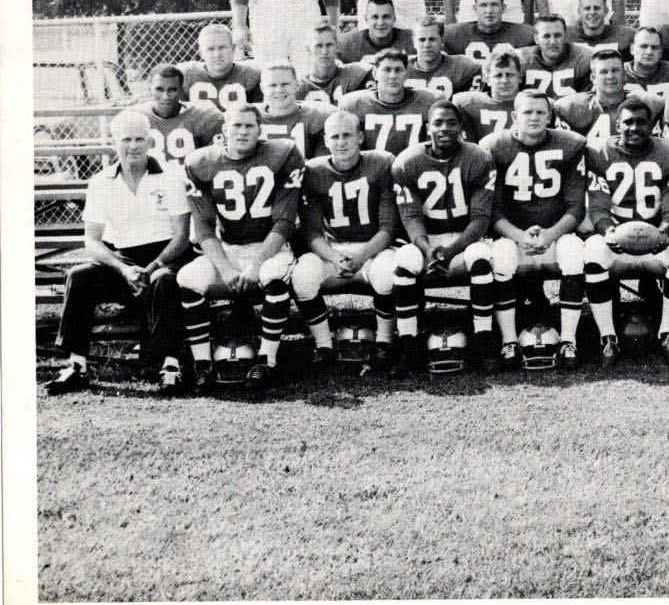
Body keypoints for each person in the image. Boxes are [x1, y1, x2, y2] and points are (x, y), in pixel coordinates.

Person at [45, 109, 191, 396]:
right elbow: (92, 240)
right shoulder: (101, 182)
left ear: (151, 142)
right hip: (121, 261)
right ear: (115, 143)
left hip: (164, 256)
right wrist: (124, 270)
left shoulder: (171, 176)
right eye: (126, 139)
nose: (133, 145)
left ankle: (169, 366)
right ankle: (77, 366)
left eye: (139, 139)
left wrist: (151, 267)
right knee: (79, 276)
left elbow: (182, 236)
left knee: (165, 280)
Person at [178, 103, 304, 391]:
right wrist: (225, 268)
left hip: (270, 248)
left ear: (260, 131)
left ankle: (266, 360)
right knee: (188, 279)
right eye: (237, 125)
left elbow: (284, 222)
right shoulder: (200, 163)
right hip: (228, 249)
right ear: (224, 131)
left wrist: (255, 265)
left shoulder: (283, 154)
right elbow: (204, 228)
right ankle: (202, 365)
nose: (243, 131)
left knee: (273, 276)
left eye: (249, 126)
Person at [482, 91, 590, 370]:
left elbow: (576, 207)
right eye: (527, 112)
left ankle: (568, 339)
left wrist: (550, 234)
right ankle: (508, 340)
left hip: (554, 233)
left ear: (550, 116)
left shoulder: (571, 144)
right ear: (514, 117)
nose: (534, 118)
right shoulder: (494, 146)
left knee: (574, 250)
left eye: (540, 112)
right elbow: (491, 210)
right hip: (512, 235)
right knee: (503, 255)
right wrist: (518, 236)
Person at [391, 102, 500, 375]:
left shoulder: (479, 158)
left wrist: (450, 251)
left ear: (461, 127)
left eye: (451, 123)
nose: (444, 128)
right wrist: (428, 249)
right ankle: (408, 344)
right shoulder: (407, 161)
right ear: (428, 128)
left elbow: (480, 219)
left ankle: (485, 338)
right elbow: (410, 217)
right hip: (426, 239)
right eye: (438, 123)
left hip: (464, 239)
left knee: (480, 257)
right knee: (404, 259)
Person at [583, 97, 669, 365]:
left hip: (655, 236)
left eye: (641, 122)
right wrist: (609, 231)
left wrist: (664, 232)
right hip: (615, 239)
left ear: (652, 126)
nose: (634, 128)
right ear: (617, 124)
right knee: (594, 251)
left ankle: (667, 333)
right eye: (628, 122)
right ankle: (607, 337)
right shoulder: (599, 152)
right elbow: (598, 207)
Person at [292, 111, 404, 376]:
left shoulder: (381, 163)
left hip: (374, 248)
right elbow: (310, 231)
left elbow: (389, 227)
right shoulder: (314, 170)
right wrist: (333, 257)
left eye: (347, 135)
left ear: (361, 137)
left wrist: (362, 256)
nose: (341, 142)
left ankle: (384, 341)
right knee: (303, 276)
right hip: (332, 250)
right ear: (326, 141)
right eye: (335, 136)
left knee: (389, 274)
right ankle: (323, 345)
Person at [339, 49, 439, 156]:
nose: (393, 76)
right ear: (375, 73)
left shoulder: (428, 101)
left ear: (407, 74)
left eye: (398, 70)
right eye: (386, 69)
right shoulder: (354, 104)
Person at [555, 50, 664, 146]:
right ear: (593, 78)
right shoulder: (571, 107)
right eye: (604, 72)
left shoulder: (649, 103)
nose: (610, 77)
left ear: (624, 75)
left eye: (615, 70)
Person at [131, 64, 224, 168]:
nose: (165, 96)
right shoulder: (135, 117)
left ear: (181, 90)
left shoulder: (204, 116)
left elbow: (217, 163)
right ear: (149, 89)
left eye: (172, 90)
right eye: (159, 89)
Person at [179, 23, 262, 110]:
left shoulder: (251, 76)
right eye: (210, 49)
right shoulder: (187, 75)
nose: (217, 54)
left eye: (222, 47)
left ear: (233, 48)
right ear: (201, 53)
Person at [257, 62, 332, 159]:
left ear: (297, 84)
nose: (279, 90)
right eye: (272, 85)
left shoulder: (317, 117)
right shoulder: (252, 118)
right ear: (262, 88)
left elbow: (322, 165)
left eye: (285, 84)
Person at [444, 0, 538, 62]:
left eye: (494, 5)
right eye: (483, 5)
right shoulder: (456, 34)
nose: (489, 11)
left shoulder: (524, 34)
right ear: (475, 9)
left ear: (503, 8)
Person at [452, 49, 525, 140]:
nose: (504, 81)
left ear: (520, 77)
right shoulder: (468, 104)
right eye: (498, 75)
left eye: (509, 75)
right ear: (487, 79)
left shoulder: (530, 104)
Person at [295, 23, 374, 105]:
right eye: (319, 46)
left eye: (329, 45)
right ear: (308, 49)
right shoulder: (299, 84)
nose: (324, 52)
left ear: (337, 47)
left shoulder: (356, 73)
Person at [406, 15, 482, 99]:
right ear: (414, 42)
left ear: (442, 40)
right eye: (422, 40)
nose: (427, 45)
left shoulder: (464, 67)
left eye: (432, 39)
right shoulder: (401, 67)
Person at [519, 15, 593, 97]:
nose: (552, 42)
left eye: (558, 35)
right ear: (536, 39)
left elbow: (586, 101)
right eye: (546, 36)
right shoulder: (522, 59)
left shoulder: (583, 58)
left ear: (565, 36)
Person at [337, 0, 414, 66]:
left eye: (386, 17)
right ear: (366, 19)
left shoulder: (411, 40)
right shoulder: (347, 43)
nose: (380, 23)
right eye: (375, 17)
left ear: (394, 19)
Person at [623, 27, 669, 97]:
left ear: (660, 52)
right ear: (632, 49)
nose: (649, 52)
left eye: (655, 48)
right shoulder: (621, 72)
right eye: (643, 46)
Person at [570, 0, 636, 56]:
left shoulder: (626, 35)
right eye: (587, 8)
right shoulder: (568, 36)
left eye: (597, 8)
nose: (592, 12)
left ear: (606, 11)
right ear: (579, 12)